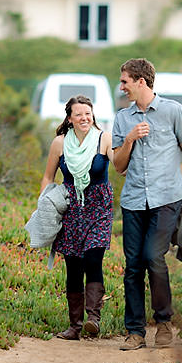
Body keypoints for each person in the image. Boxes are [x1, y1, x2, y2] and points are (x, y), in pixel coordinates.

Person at [112, 58, 182, 350]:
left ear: (141, 82)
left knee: (153, 256)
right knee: (133, 265)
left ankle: (164, 323)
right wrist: (129, 140)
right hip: (134, 200)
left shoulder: (173, 111)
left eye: (125, 81)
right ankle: (135, 332)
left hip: (167, 199)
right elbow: (119, 166)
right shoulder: (122, 118)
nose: (121, 87)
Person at [40, 95, 114, 340]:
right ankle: (74, 326)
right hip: (71, 209)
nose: (85, 118)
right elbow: (48, 177)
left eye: (88, 113)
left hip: (99, 207)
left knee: (94, 258)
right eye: (79, 114)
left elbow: (121, 163)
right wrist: (44, 206)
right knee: (73, 266)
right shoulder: (59, 143)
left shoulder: (104, 139)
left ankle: (93, 318)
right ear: (70, 119)